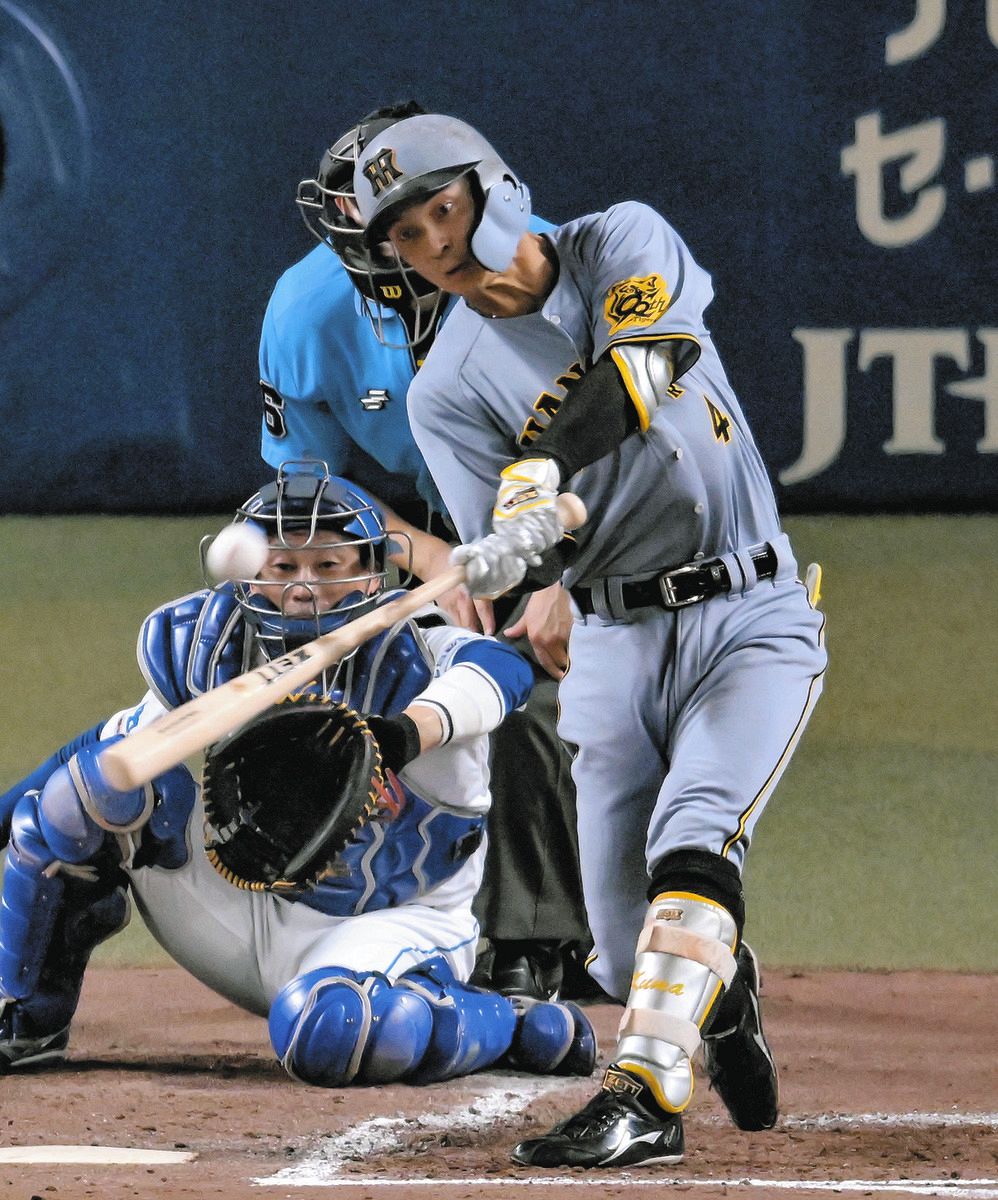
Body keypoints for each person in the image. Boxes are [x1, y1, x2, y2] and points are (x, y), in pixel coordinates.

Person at [350, 113, 828, 1167]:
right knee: (618, 947)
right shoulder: (445, 391)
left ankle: (643, 1096)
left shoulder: (620, 240)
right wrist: (520, 561)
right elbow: (534, 557)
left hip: (747, 609)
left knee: (693, 839)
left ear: (490, 187)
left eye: (441, 209)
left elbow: (644, 367)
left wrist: (541, 469)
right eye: (407, 235)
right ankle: (723, 989)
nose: (435, 242)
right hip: (614, 640)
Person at [0, 463, 595, 1086]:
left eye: (328, 565)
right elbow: (112, 751)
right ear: (249, 574)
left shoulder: (426, 652)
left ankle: (505, 1023)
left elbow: (499, 677)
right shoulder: (214, 646)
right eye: (283, 567)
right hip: (235, 909)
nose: (304, 588)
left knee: (333, 1032)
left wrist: (401, 735)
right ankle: (29, 1017)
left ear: (372, 573)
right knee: (85, 795)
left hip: (386, 923)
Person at [258, 103, 595, 1003]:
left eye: (434, 212)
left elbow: (634, 441)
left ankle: (536, 937)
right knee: (296, 647)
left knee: (528, 686)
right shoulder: (305, 310)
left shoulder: (549, 268)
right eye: (392, 224)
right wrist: (433, 559)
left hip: (566, 506)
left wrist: (569, 578)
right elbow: (308, 490)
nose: (423, 241)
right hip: (416, 526)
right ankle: (326, 914)